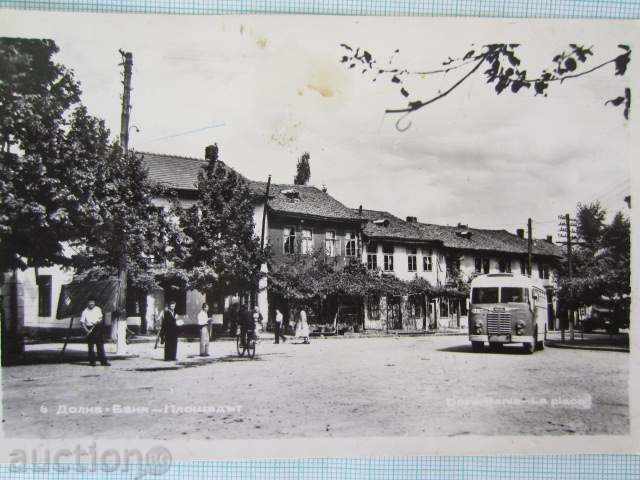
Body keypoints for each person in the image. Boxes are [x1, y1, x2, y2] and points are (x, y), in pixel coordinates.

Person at [80, 299, 110, 366]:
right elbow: (82, 323)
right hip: (89, 328)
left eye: (92, 302)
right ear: (87, 303)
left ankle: (103, 362)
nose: (91, 304)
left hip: (98, 328)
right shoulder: (84, 311)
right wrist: (86, 330)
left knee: (100, 345)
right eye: (90, 302)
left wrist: (99, 321)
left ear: (94, 303)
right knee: (91, 346)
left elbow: (101, 318)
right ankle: (92, 362)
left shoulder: (98, 309)